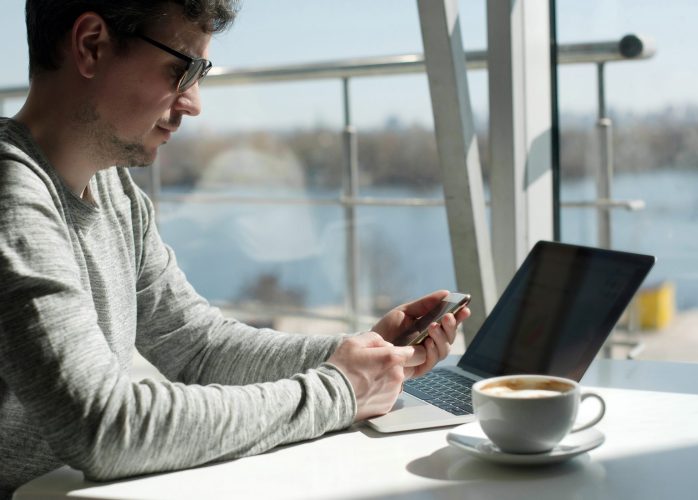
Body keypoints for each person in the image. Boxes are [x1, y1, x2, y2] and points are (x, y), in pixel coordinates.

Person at [0, 1, 470, 497]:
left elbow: (198, 345)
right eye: (182, 69)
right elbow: (103, 426)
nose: (195, 102)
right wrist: (340, 391)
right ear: (91, 45)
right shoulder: (11, 196)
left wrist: (355, 355)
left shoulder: (115, 192)